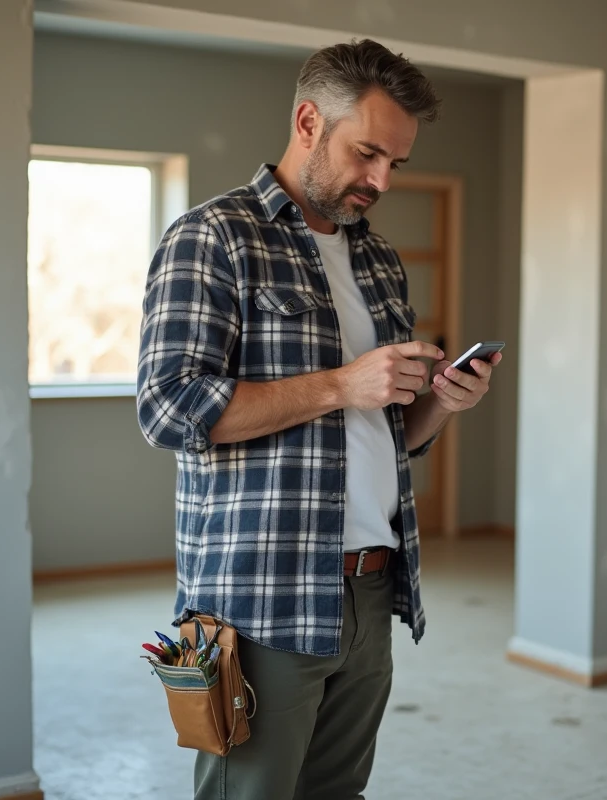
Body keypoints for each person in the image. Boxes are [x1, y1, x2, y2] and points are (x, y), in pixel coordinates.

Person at [135, 38, 503, 800]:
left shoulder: (379, 260)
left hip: (373, 587)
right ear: (308, 121)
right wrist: (340, 383)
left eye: (394, 164)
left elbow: (389, 436)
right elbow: (168, 408)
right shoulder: (213, 237)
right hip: (260, 596)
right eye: (367, 153)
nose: (380, 179)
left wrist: (440, 401)